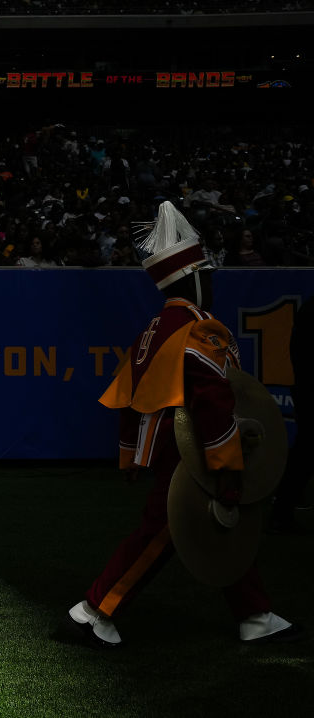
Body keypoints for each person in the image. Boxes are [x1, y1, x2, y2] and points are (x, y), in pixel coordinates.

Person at [66, 202, 301, 649]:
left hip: (167, 449)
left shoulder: (152, 329)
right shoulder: (198, 330)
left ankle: (255, 615)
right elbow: (213, 405)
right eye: (207, 275)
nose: (213, 282)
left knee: (213, 526)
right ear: (192, 278)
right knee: (169, 529)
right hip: (193, 452)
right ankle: (93, 612)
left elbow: (129, 399)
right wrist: (229, 473)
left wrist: (130, 456)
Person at [269, 297, 314, 532]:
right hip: (307, 386)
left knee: (304, 451)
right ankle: (282, 508)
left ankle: (283, 507)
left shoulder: (309, 307)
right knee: (305, 451)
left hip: (304, 386)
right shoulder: (310, 309)